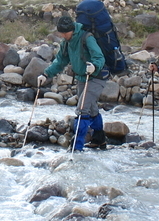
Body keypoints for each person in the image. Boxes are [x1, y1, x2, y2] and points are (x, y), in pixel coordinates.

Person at [38, 14, 107, 151]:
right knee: (92, 108)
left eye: (65, 33)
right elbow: (60, 61)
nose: (63, 36)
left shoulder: (87, 38)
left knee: (82, 110)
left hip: (96, 77)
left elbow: (99, 57)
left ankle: (77, 147)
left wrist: (94, 65)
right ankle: (99, 139)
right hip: (82, 78)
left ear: (72, 30)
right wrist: (46, 74)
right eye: (61, 33)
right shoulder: (66, 43)